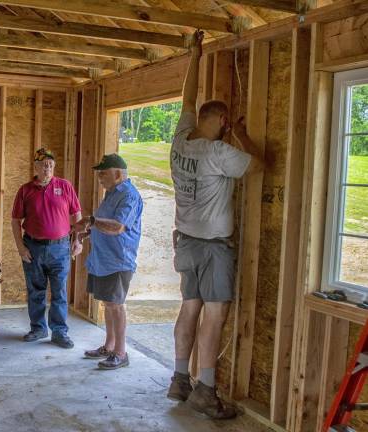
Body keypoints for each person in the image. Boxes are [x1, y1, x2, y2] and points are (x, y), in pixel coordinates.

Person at [167, 30, 264, 419]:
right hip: (212, 246)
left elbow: (187, 98)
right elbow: (258, 166)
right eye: (226, 124)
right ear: (222, 121)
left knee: (190, 307)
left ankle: (179, 379)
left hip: (185, 243)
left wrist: (195, 53)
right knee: (215, 314)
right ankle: (205, 388)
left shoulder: (180, 140)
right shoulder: (220, 151)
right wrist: (240, 134)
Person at [73, 154, 142, 370]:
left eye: (103, 173)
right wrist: (87, 233)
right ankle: (109, 346)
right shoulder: (111, 193)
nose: (99, 177)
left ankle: (121, 353)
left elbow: (118, 226)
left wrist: (91, 221)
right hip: (102, 260)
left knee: (116, 306)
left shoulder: (129, 196)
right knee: (108, 305)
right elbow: (103, 225)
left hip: (118, 261)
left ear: (118, 174)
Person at [11, 148, 83, 349]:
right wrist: (20, 247)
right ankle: (38, 328)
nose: (47, 168)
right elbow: (16, 220)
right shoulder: (25, 190)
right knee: (36, 291)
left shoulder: (65, 186)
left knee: (59, 291)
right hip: (33, 247)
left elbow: (77, 216)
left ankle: (59, 332)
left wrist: (77, 240)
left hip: (60, 248)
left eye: (50, 165)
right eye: (43, 165)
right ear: (35, 166)